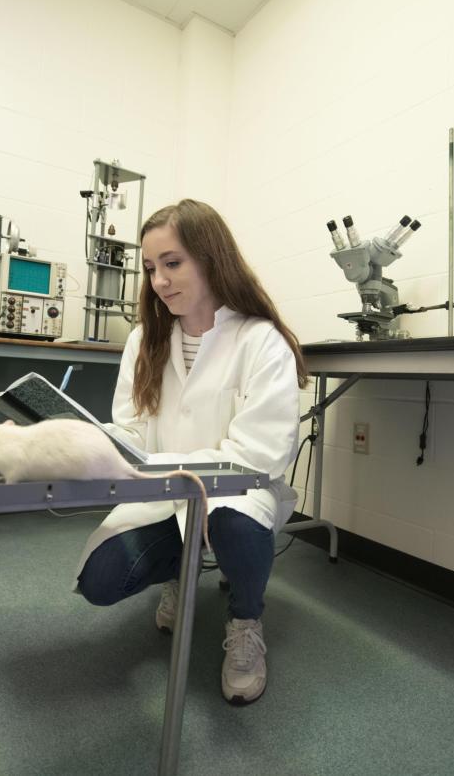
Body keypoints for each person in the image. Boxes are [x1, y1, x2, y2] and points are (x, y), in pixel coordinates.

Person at [74, 198, 307, 705]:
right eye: (151, 268)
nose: (160, 280)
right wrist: (88, 448)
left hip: (236, 497)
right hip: (160, 497)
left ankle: (245, 620)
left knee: (233, 524)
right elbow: (131, 431)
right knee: (101, 581)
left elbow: (259, 451)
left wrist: (170, 473)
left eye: (173, 263)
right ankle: (177, 576)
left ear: (211, 257)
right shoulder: (144, 340)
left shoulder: (260, 340)